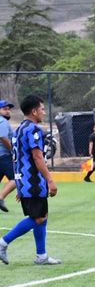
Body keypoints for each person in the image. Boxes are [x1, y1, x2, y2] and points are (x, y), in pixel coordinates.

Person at [0, 95, 60, 266]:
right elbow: (37, 157)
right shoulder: (33, 130)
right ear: (34, 111)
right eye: (42, 109)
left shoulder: (19, 129)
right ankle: (3, 242)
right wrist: (50, 180)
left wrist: (20, 185)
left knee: (42, 216)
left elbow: (16, 159)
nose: (44, 112)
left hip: (26, 181)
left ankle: (42, 255)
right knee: (39, 218)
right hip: (33, 181)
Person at [0, 99, 15, 213]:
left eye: (8, 109)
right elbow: (3, 137)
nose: (8, 111)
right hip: (4, 156)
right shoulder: (2, 121)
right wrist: (13, 150)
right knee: (16, 178)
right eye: (4, 109)